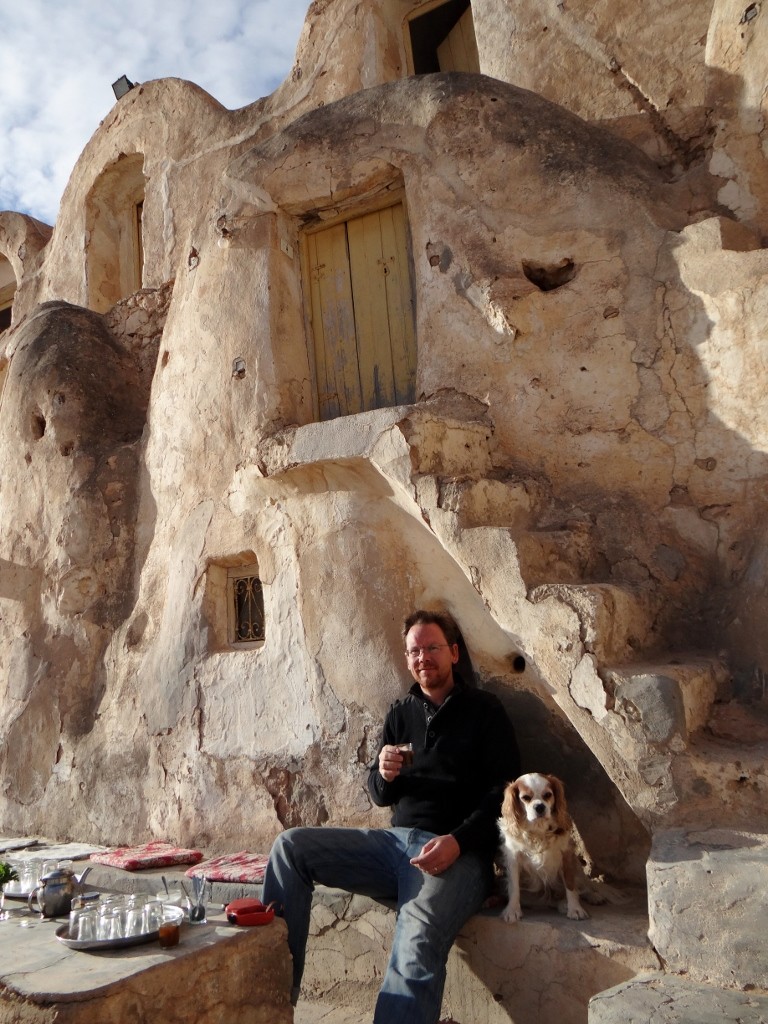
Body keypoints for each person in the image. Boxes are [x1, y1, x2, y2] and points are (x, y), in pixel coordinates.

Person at [262, 609, 521, 1024]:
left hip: (459, 855)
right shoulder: (401, 712)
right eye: (414, 651)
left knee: (416, 937)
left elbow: (503, 795)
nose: (423, 658)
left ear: (453, 653)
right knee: (291, 847)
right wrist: (380, 774)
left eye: (432, 648)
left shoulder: (484, 711)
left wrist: (458, 841)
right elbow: (382, 797)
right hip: (395, 848)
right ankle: (271, 1003)